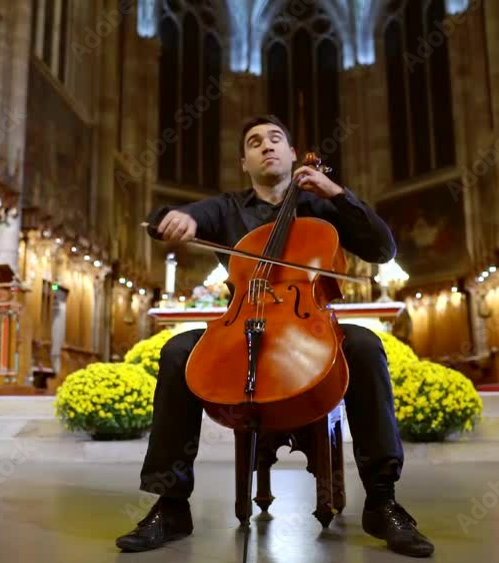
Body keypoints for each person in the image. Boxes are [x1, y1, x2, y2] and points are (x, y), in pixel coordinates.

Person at [115, 115, 434, 558]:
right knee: (176, 352)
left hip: (307, 327)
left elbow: (382, 249)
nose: (266, 146)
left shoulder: (323, 208)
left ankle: (382, 500)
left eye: (275, 139)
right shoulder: (228, 209)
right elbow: (167, 219)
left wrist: (337, 193)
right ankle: (170, 504)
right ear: (244, 161)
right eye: (254, 142)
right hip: (241, 325)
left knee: (364, 345)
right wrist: (170, 218)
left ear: (290, 154)